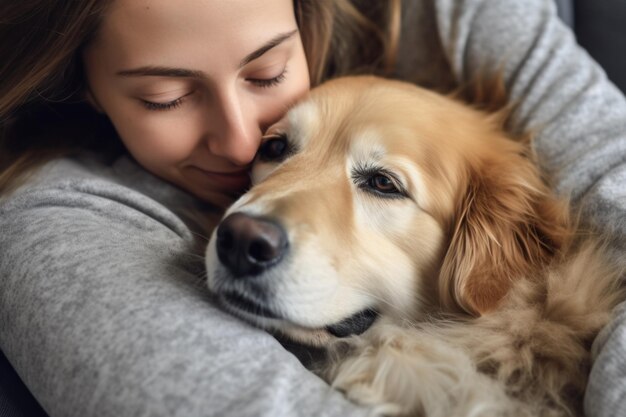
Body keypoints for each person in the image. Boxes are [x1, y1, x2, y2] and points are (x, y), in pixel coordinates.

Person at [0, 0, 624, 416]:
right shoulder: (64, 218)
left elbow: (609, 169)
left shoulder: (462, 20)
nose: (245, 147)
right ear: (84, 84)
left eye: (382, 183)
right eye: (164, 96)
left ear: (309, 23)